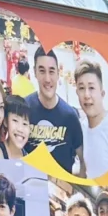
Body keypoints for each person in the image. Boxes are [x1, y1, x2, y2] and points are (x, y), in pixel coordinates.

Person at [26, 46, 83, 174]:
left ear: (58, 73)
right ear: (35, 72)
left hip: (61, 191)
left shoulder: (70, 116)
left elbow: (84, 160)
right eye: (42, 71)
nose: (47, 79)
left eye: (51, 71)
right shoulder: (23, 110)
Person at [75, 60, 108, 178]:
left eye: (91, 88)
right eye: (81, 88)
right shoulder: (80, 129)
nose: (86, 95)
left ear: (102, 93)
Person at [3, 95, 32, 160]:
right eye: (15, 120)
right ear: (5, 121)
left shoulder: (27, 156)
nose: (20, 129)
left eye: (25, 124)